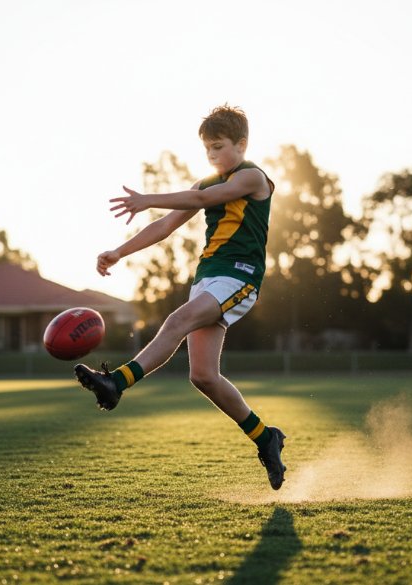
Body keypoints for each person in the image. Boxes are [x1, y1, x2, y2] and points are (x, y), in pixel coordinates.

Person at [74, 105, 287, 490]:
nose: (212, 156)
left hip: (239, 277)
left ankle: (116, 382)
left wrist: (148, 197)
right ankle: (265, 437)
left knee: (176, 320)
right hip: (207, 279)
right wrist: (119, 252)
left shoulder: (253, 176)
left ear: (242, 144)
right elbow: (167, 225)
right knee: (203, 376)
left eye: (219, 147)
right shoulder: (205, 183)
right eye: (207, 149)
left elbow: (207, 200)